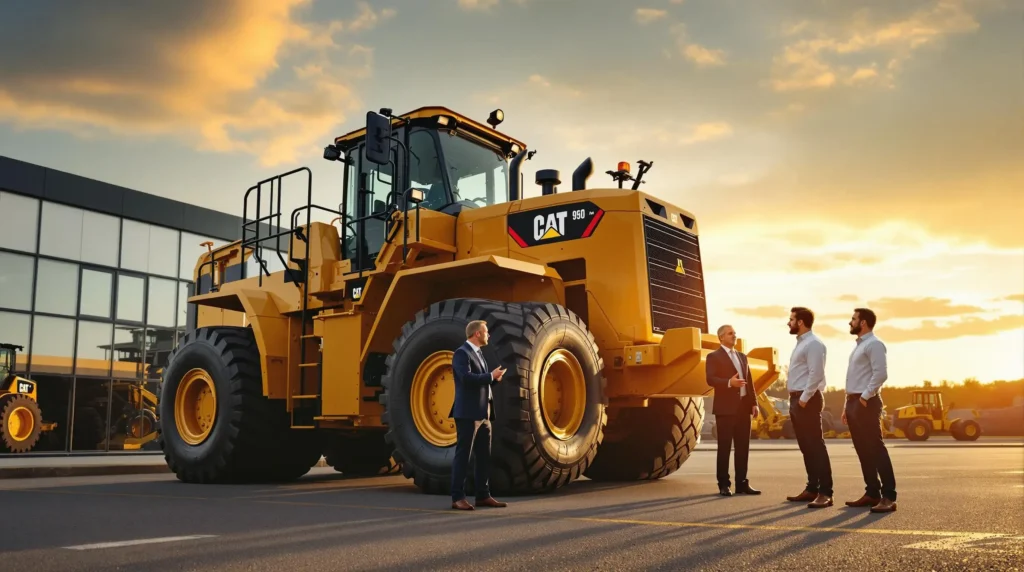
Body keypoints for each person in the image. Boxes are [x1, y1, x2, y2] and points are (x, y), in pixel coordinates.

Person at [449, 319, 508, 511]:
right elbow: (466, 378)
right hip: (468, 413)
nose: (488, 334)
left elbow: (482, 383)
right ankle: (458, 497)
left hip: (484, 413)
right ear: (477, 334)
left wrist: (495, 379)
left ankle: (483, 496)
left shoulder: (479, 354)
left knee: (484, 456)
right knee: (463, 456)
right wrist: (490, 376)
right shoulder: (461, 353)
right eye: (486, 331)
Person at [843, 308, 897, 513]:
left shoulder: (874, 344)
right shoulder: (859, 346)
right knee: (863, 450)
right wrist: (846, 404)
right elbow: (854, 378)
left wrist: (864, 397)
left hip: (866, 402)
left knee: (876, 448)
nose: (850, 322)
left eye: (853, 319)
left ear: (863, 323)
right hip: (854, 402)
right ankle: (872, 493)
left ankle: (889, 496)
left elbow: (881, 374)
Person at [785, 307, 834, 508]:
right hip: (797, 400)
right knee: (806, 448)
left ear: (801, 322)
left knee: (816, 446)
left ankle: (826, 492)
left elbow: (816, 374)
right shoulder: (801, 344)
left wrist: (804, 399)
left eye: (791, 319)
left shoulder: (814, 344)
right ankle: (812, 488)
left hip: (808, 400)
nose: (788, 323)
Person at [706, 324, 761, 496]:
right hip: (725, 409)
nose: (734, 336)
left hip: (744, 408)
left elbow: (749, 381)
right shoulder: (713, 356)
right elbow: (710, 379)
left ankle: (742, 483)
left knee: (743, 447)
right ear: (721, 337)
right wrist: (730, 383)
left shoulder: (743, 357)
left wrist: (754, 403)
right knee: (724, 448)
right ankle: (724, 484)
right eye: (730, 334)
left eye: (735, 333)